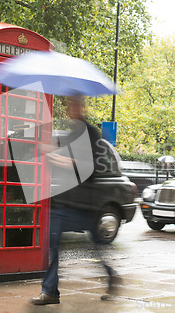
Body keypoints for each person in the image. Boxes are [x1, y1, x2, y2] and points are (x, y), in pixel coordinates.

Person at [29, 95, 121, 305]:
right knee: (52, 244)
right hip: (65, 200)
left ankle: (111, 275)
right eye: (68, 105)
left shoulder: (91, 134)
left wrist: (55, 156)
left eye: (73, 105)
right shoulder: (72, 134)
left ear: (81, 106)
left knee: (96, 247)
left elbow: (88, 167)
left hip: (83, 203)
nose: (70, 109)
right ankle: (50, 290)